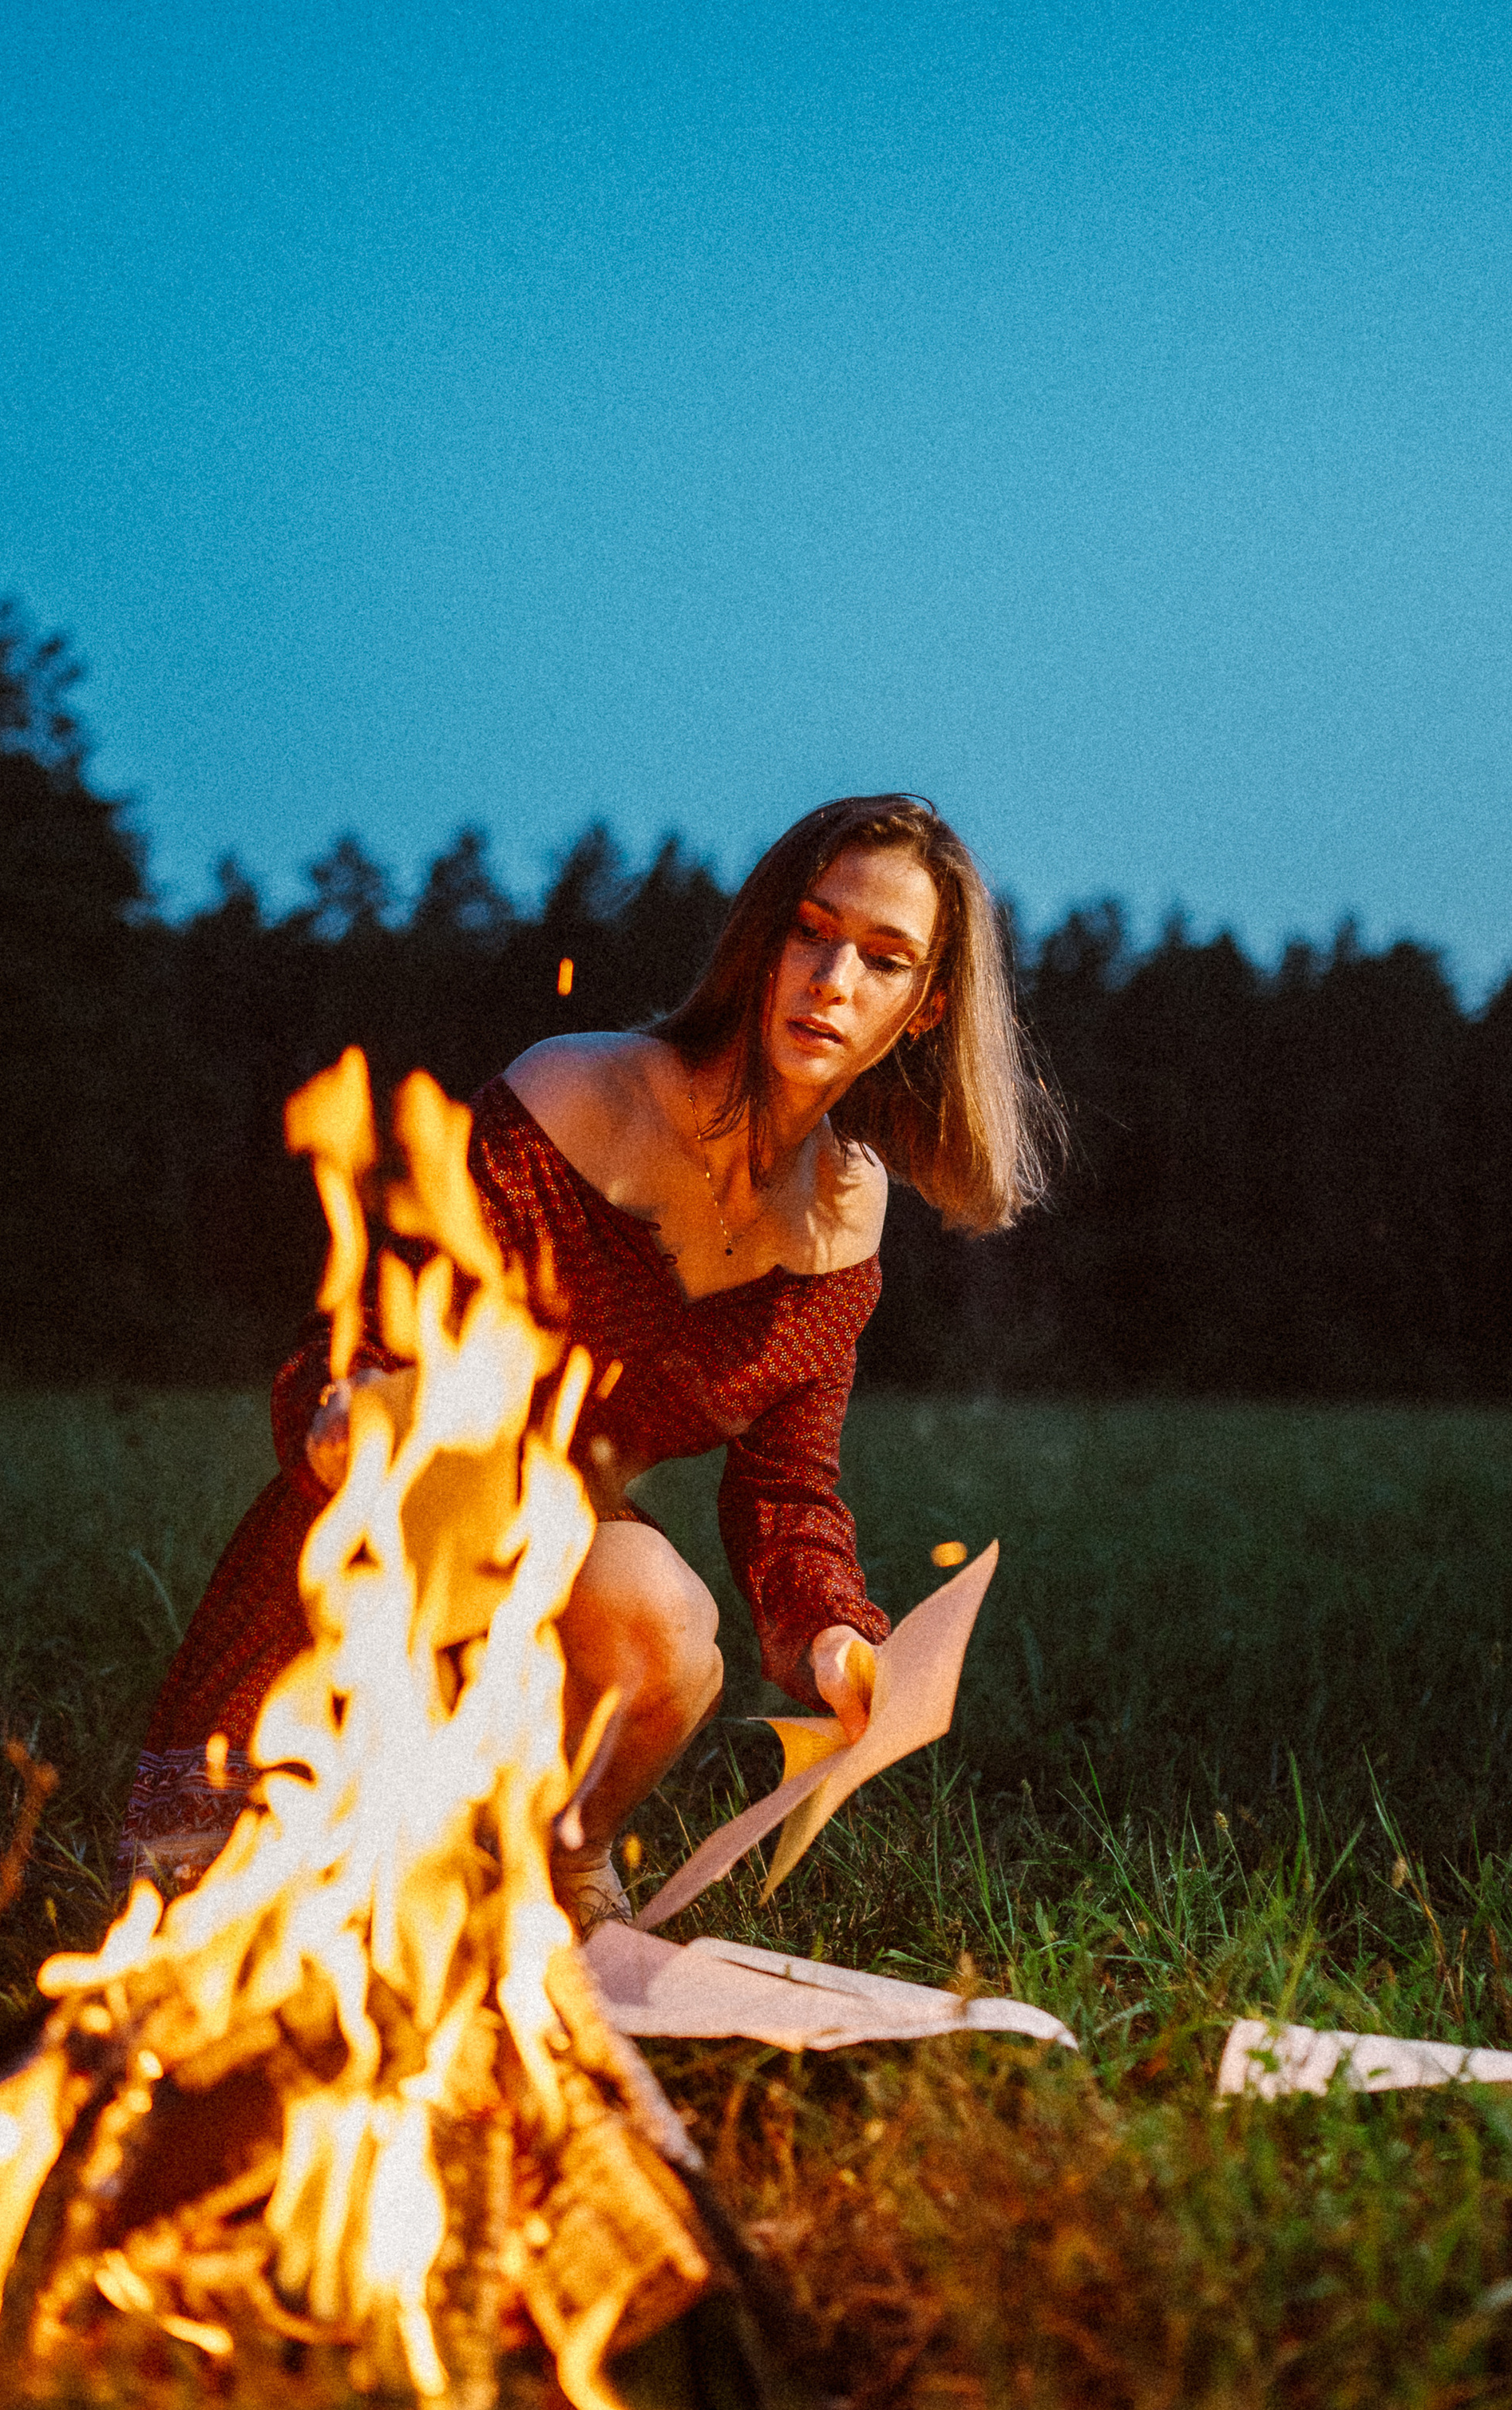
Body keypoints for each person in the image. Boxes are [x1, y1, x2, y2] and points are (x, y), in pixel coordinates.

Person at [121, 794, 1063, 1923]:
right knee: (261, 1944)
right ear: (762, 941)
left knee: (671, 1633)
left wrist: (835, 1641)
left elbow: (786, 1492)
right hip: (386, 1566)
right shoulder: (578, 1092)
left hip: (563, 1580)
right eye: (810, 930)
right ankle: (357, 1825)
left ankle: (556, 1870)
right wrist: (352, 1407)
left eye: (884, 957)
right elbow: (358, 1345)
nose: (832, 978)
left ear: (925, 1007)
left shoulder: (847, 1222)